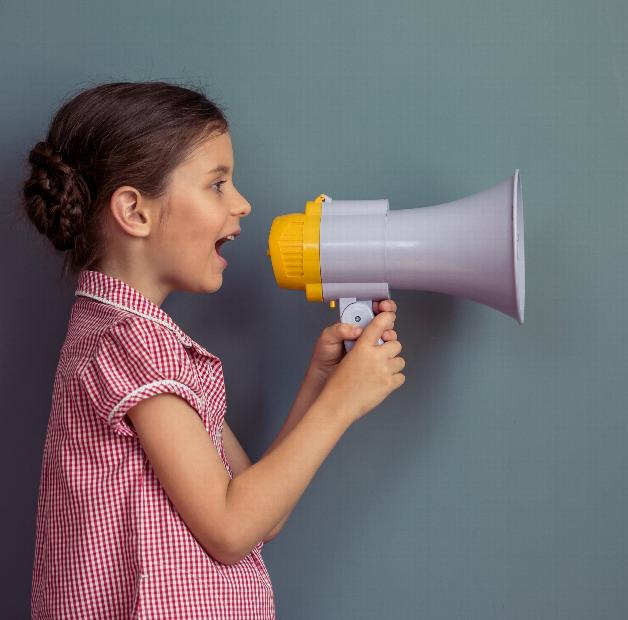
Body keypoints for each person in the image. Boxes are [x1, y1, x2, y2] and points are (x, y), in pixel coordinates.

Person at [22, 81, 406, 619]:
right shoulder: (132, 345)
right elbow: (229, 530)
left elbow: (257, 516)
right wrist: (342, 404)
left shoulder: (145, 341)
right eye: (217, 184)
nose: (242, 203)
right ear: (135, 211)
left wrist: (321, 385)